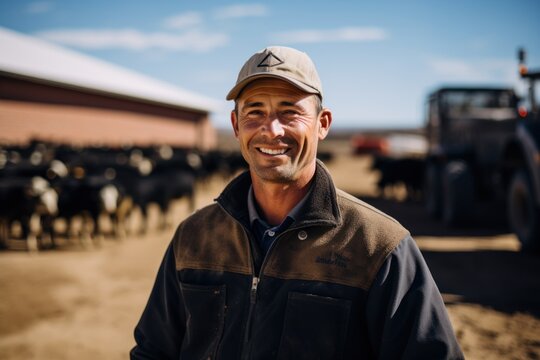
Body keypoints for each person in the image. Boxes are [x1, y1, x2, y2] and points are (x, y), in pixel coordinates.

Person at [130, 46, 464, 359]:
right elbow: (153, 351)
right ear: (235, 125)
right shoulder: (194, 237)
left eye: (290, 112)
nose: (271, 130)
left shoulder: (378, 247)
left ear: (322, 124)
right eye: (255, 111)